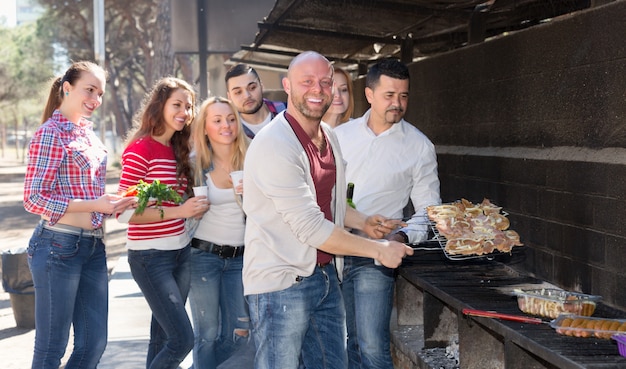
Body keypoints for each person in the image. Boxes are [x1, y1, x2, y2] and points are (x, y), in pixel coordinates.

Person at [242, 50, 414, 369]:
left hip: (325, 278)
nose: (317, 89)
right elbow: (311, 228)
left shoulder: (329, 137)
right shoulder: (275, 144)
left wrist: (363, 220)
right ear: (287, 86)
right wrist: (378, 250)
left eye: (325, 81)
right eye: (307, 81)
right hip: (281, 285)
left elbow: (329, 203)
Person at [23, 61, 135, 369]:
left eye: (100, 93)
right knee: (51, 349)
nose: (96, 99)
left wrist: (114, 204)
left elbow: (90, 196)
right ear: (67, 88)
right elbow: (34, 199)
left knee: (94, 344)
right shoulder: (51, 133)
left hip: (93, 248)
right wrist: (94, 205)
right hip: (58, 248)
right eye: (90, 90)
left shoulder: (88, 134)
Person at [334, 58, 441, 369]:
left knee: (371, 345)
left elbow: (429, 210)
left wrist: (401, 235)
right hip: (334, 246)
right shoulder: (341, 136)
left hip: (377, 256)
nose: (398, 103)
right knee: (350, 342)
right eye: (389, 95)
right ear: (369, 95)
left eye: (404, 96)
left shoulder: (419, 146)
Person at [117, 77, 209, 369]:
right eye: (177, 105)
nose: (184, 111)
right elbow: (123, 213)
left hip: (180, 253)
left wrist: (190, 209)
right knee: (182, 340)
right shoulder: (141, 149)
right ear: (160, 105)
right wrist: (180, 212)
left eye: (189, 106)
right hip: (150, 258)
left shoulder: (177, 148)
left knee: (161, 338)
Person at [188, 97, 251, 369]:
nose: (226, 125)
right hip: (204, 256)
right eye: (217, 120)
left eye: (231, 118)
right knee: (207, 335)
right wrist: (190, 209)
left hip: (241, 258)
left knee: (239, 334)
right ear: (205, 127)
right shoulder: (194, 165)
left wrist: (254, 197)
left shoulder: (253, 158)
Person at [225, 63, 286, 138]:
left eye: (252, 88)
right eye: (238, 92)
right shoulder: (230, 131)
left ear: (261, 86)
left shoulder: (287, 112)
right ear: (229, 97)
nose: (247, 96)